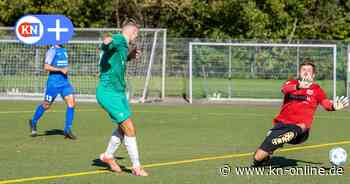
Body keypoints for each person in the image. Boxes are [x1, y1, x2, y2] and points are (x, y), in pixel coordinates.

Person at [252, 60, 349, 167]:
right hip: (282, 125)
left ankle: (286, 136)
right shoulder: (291, 83)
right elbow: (285, 89)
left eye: (309, 70)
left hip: (301, 130)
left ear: (313, 75)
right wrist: (298, 86)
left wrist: (334, 106)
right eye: (303, 70)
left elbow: (326, 103)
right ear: (299, 72)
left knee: (301, 126)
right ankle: (269, 153)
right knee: (257, 158)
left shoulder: (317, 90)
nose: (306, 72)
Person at [96, 21, 148, 176]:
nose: (136, 37)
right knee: (130, 128)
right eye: (136, 34)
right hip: (108, 93)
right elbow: (108, 42)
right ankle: (136, 167)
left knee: (122, 128)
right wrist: (106, 41)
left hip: (118, 93)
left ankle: (108, 156)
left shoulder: (124, 47)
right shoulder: (120, 39)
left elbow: (116, 59)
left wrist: (129, 57)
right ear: (133, 33)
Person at [28, 44, 77, 140]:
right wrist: (60, 70)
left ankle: (67, 129)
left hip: (64, 83)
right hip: (53, 84)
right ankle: (33, 122)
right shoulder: (51, 51)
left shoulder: (64, 49)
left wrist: (66, 69)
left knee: (71, 104)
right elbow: (46, 67)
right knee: (46, 105)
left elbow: (63, 65)